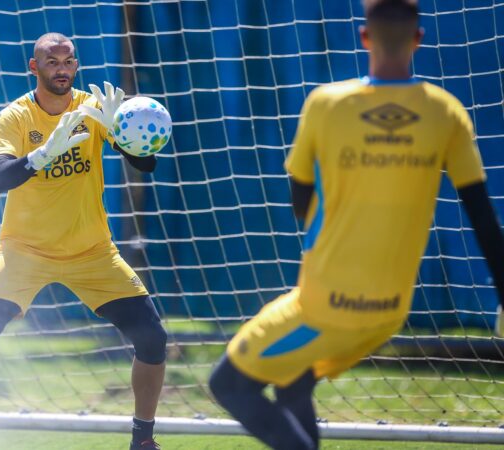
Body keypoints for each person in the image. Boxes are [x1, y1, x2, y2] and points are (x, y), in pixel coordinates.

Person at [208, 1, 504, 448]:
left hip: (324, 307)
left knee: (227, 385)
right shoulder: (446, 112)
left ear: (364, 36)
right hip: (387, 313)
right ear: (418, 39)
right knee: (291, 386)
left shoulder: (327, 104)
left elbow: (300, 195)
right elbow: (482, 217)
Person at [0, 32, 166, 450]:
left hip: (91, 252)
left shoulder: (91, 107)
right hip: (24, 252)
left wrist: (121, 132)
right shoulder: (13, 118)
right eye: (52, 62)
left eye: (68, 61)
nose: (62, 69)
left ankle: (142, 441)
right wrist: (40, 156)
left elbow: (148, 163)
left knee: (153, 338)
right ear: (35, 68)